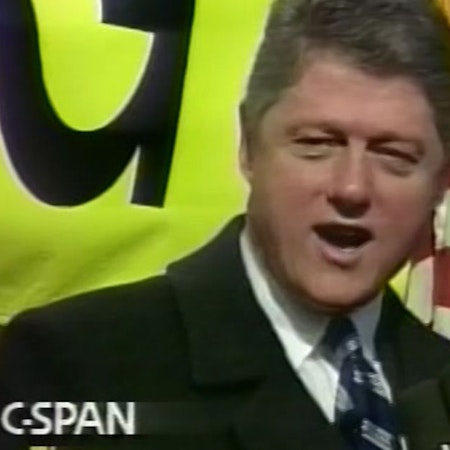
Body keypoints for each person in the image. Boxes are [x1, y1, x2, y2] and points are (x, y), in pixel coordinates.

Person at [2, 0, 450, 448]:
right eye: (318, 143)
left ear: (441, 180)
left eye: (393, 156)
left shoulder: (440, 378)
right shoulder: (74, 363)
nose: (352, 187)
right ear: (249, 146)